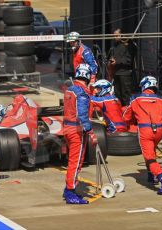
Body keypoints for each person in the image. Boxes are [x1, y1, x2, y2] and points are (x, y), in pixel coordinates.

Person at [123, 76, 162, 195]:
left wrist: (132, 122)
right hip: (160, 131)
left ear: (144, 86)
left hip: (145, 130)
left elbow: (126, 117)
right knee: (151, 151)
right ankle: (151, 175)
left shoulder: (135, 98)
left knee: (149, 157)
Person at [63, 63, 97, 204]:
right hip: (76, 131)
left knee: (73, 161)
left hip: (67, 128)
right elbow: (82, 115)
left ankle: (69, 189)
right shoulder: (81, 92)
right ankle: (70, 192)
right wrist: (91, 132)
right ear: (88, 76)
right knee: (75, 163)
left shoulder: (70, 89)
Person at [107, 28, 136, 106]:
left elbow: (129, 60)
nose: (115, 37)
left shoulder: (130, 45)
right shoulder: (115, 46)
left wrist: (117, 61)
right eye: (114, 36)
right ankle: (119, 112)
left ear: (121, 35)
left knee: (125, 95)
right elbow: (111, 56)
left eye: (116, 35)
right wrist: (111, 60)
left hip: (125, 74)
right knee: (117, 94)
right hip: (116, 73)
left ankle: (126, 112)